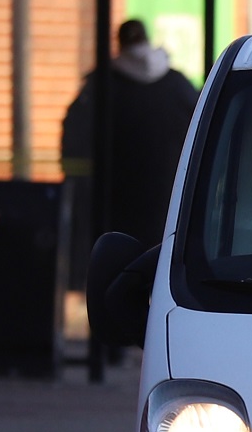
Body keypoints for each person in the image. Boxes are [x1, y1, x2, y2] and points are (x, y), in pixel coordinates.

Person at [62, 20, 200, 268]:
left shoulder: (102, 87)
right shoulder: (179, 86)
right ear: (147, 40)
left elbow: (74, 138)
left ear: (120, 43)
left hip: (116, 200)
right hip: (168, 199)